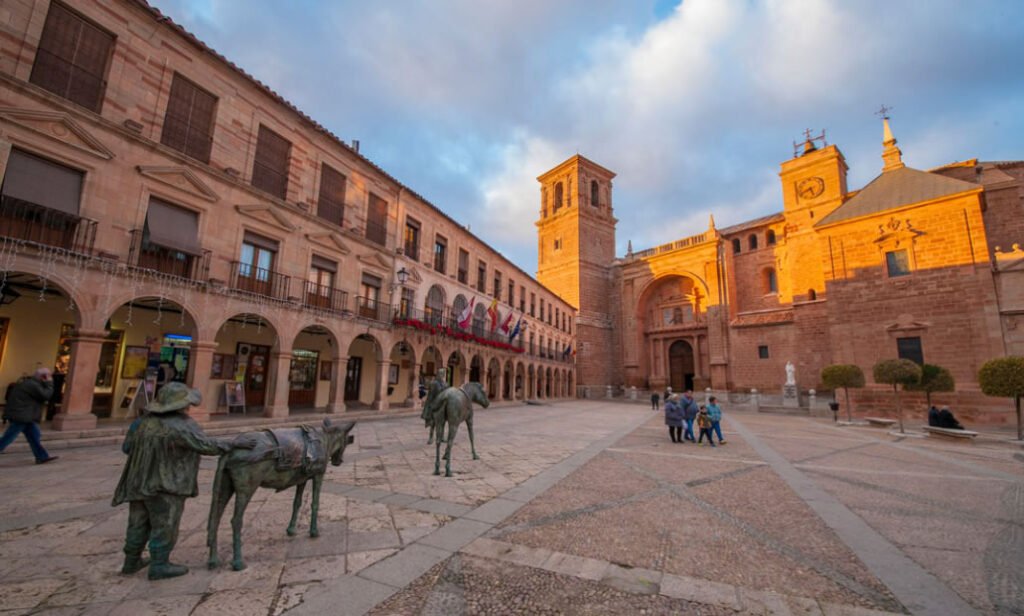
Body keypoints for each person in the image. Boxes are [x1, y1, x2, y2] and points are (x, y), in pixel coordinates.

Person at [112, 382, 231, 580]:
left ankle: (131, 561)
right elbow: (207, 446)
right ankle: (159, 564)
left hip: (138, 481)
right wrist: (232, 443)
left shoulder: (141, 422)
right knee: (165, 523)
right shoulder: (182, 425)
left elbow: (127, 448)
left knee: (137, 522)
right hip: (167, 484)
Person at [0, 368, 58, 464]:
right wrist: (49, 383)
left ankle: (41, 456)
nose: (50, 378)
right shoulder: (32, 385)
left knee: (34, 436)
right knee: (9, 437)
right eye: (49, 376)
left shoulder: (30, 383)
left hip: (24, 415)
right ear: (43, 377)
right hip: (22, 415)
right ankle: (41, 456)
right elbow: (46, 395)